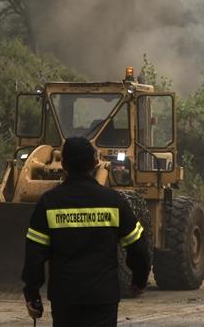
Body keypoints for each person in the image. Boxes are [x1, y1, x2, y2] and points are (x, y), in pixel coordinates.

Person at [21, 137, 150, 327]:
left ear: (63, 164)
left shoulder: (48, 203)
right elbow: (138, 246)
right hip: (103, 299)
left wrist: (32, 293)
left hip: (65, 299)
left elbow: (34, 254)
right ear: (94, 163)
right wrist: (139, 280)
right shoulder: (113, 201)